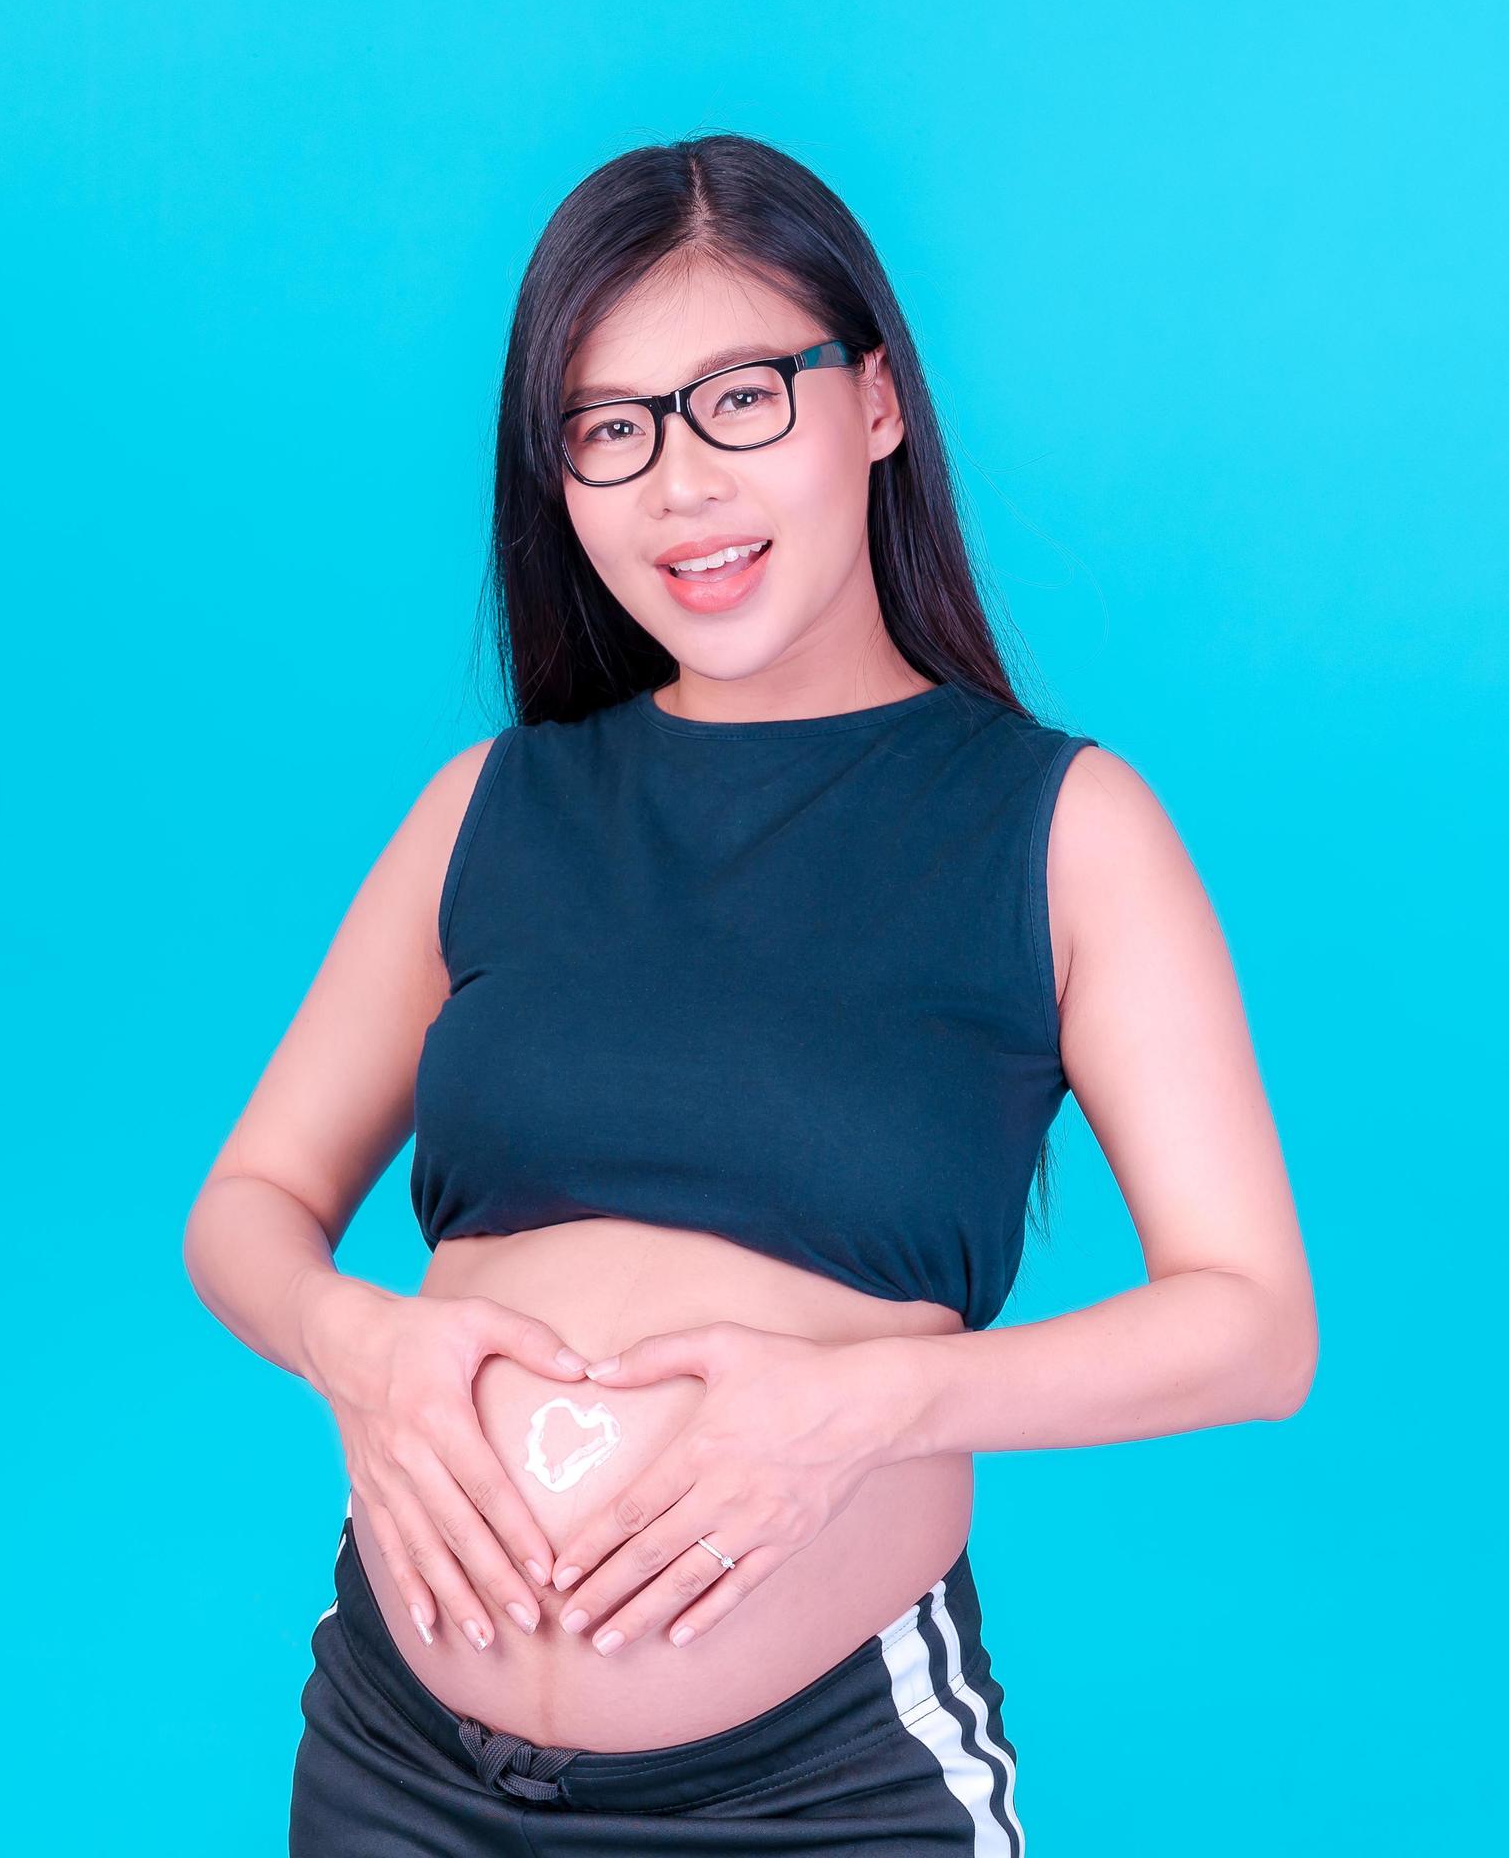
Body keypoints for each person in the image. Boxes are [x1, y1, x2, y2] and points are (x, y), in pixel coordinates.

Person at [182, 132, 1317, 1855]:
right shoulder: (489, 805)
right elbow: (246, 1209)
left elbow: (1251, 1325)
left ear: (873, 404)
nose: (676, 488)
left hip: (809, 1797)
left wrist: (878, 1405)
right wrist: (367, 1355)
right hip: (396, 1766)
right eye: (607, 430)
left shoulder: (1057, 830)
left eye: (738, 401)